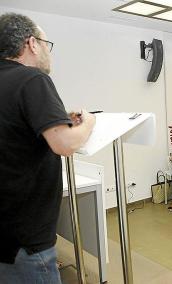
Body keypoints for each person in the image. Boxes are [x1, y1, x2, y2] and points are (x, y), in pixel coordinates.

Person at [0, 13, 96, 283]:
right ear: (31, 43)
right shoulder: (33, 79)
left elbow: (13, 129)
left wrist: (56, 119)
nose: (47, 51)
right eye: (46, 43)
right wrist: (89, 123)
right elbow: (64, 144)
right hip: (26, 238)